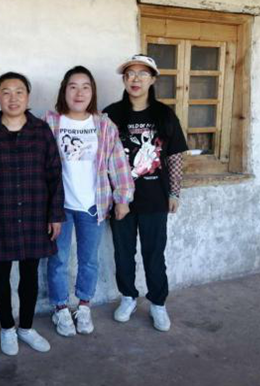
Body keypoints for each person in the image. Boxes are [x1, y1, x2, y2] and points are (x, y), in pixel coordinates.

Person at [0, 72, 65, 356]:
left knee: (30, 274)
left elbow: (54, 175)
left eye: (19, 91)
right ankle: (7, 328)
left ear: (27, 96)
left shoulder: (41, 131)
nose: (13, 98)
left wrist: (55, 214)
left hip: (35, 214)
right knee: (0, 273)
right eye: (6, 92)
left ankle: (27, 328)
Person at [43, 66, 134, 337]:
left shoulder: (103, 125)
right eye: (73, 86)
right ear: (64, 91)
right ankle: (60, 307)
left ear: (92, 92)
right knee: (58, 259)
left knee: (89, 260)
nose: (79, 93)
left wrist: (123, 198)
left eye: (85, 87)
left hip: (93, 206)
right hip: (59, 207)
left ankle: (83, 306)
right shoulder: (50, 123)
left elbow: (118, 163)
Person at [103, 54, 188, 332]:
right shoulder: (111, 114)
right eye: (130, 74)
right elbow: (100, 157)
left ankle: (158, 303)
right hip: (120, 200)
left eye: (142, 74)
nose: (135, 79)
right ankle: (128, 297)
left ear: (152, 79)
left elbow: (174, 156)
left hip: (155, 198)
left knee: (154, 254)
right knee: (123, 253)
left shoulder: (164, 114)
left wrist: (174, 192)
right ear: (124, 80)